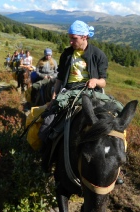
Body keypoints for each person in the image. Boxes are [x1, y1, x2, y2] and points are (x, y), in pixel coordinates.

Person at [38, 20, 108, 171]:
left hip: (91, 94)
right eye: (69, 38)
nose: (70, 41)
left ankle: (111, 166)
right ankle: (47, 161)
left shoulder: (98, 55)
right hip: (68, 92)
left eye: (74, 38)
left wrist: (95, 81)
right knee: (46, 126)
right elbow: (60, 79)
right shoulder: (67, 54)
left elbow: (103, 82)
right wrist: (54, 97)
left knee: (112, 124)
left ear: (85, 37)